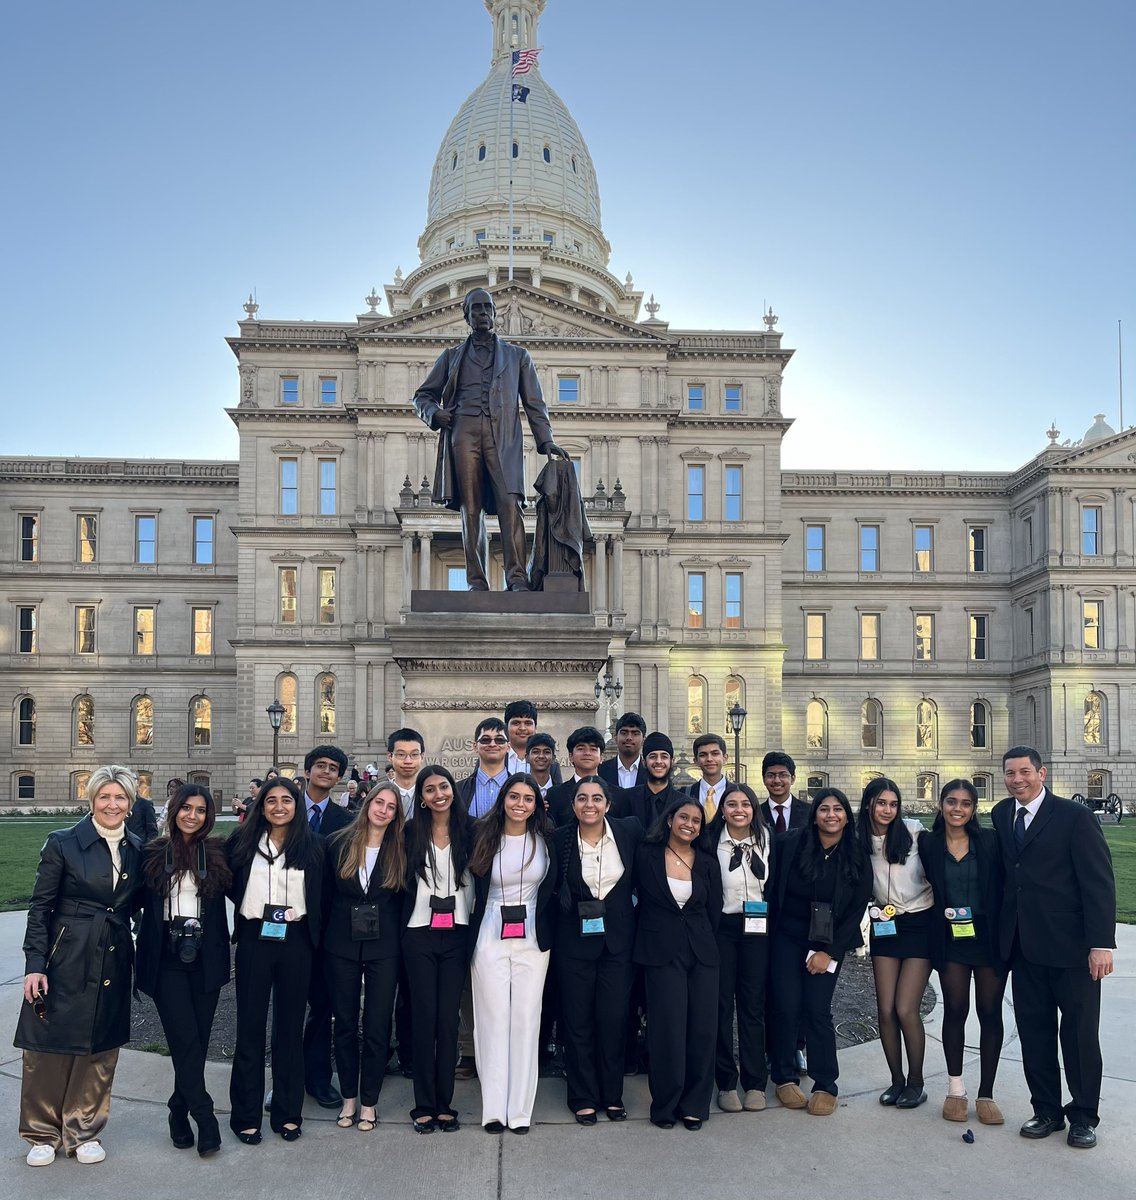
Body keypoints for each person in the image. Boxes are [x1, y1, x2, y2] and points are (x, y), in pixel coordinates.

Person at [16, 765, 145, 1168]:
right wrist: (36, 964)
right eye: (104, 797)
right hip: (65, 955)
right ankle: (42, 1131)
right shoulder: (63, 843)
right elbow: (40, 907)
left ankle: (83, 1129)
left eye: (120, 797)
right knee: (49, 1045)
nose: (112, 804)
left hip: (113, 954)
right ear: (91, 800)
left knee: (99, 1045)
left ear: (130, 803)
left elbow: (138, 905)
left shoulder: (137, 848)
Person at [992, 746, 1116, 1149]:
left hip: (1073, 950)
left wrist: (1100, 944)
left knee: (1079, 1036)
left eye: (1025, 772)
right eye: (1010, 774)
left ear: (1041, 774)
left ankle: (1083, 1116)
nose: (1017, 780)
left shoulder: (1074, 817)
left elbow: (1098, 882)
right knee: (1035, 1033)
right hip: (1024, 949)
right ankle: (1045, 1109)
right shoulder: (1001, 814)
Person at [411, 286, 568, 591]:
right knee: (471, 509)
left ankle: (517, 578)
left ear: (495, 314)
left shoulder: (518, 356)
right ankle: (476, 582)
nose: (483, 313)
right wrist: (435, 413)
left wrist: (545, 439)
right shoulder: (451, 357)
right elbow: (422, 396)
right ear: (466, 316)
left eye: (487, 308)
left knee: (511, 504)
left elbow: (535, 403)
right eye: (476, 309)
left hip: (504, 437)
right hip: (463, 433)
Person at [226, 776, 323, 1144]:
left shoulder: (313, 847)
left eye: (287, 800)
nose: (279, 806)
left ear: (297, 806)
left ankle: (287, 1112)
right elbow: (225, 883)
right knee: (249, 1028)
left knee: (288, 1029)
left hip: (296, 940)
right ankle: (245, 1115)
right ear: (261, 806)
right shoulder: (242, 843)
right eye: (271, 800)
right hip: (255, 938)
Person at [136, 783, 231, 1157]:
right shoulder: (152, 854)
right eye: (186, 808)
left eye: (201, 810)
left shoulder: (219, 854)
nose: (193, 816)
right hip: (166, 961)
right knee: (185, 1039)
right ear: (174, 810)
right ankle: (205, 1118)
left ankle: (178, 1110)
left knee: (196, 1042)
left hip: (206, 958)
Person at [769, 787, 872, 1116]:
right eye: (824, 809)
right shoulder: (791, 844)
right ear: (814, 814)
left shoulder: (856, 854)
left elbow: (856, 908)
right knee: (786, 1006)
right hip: (787, 937)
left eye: (838, 810)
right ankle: (784, 1076)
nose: (831, 815)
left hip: (828, 943)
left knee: (816, 1009)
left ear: (846, 815)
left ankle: (826, 1082)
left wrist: (830, 952)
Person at [468, 773, 557, 1133]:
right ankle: (493, 1108)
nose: (520, 804)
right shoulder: (482, 836)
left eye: (528, 799)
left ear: (537, 805)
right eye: (514, 797)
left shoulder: (547, 840)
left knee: (525, 1019)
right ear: (503, 799)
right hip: (490, 931)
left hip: (533, 937)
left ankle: (520, 1110)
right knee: (492, 1020)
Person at [553, 776, 644, 1124]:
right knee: (578, 1022)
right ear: (573, 804)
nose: (589, 804)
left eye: (596, 798)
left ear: (608, 803)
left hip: (618, 943)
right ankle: (582, 1095)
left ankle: (612, 1093)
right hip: (573, 943)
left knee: (614, 1019)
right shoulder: (560, 838)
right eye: (581, 798)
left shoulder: (629, 832)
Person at [919, 779, 1008, 1125]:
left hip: (988, 940)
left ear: (974, 809)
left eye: (966, 803)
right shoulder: (927, 843)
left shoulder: (990, 841)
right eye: (951, 802)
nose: (958, 809)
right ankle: (956, 1089)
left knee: (990, 1013)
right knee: (955, 1010)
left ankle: (986, 1093)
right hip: (950, 940)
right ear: (941, 805)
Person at [633, 797, 723, 1130]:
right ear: (670, 820)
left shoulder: (707, 862)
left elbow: (713, 912)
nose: (689, 824)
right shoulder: (646, 856)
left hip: (702, 952)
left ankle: (695, 1105)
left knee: (702, 1029)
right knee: (667, 1029)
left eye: (696, 821)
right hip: (660, 951)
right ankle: (666, 1104)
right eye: (683, 817)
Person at [323, 782, 407, 1133]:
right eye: (379, 802)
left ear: (396, 814)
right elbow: (324, 896)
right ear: (367, 803)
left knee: (376, 1025)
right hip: (341, 944)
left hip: (384, 947)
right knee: (344, 1023)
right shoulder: (339, 842)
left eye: (391, 806)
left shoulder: (401, 849)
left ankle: (369, 1101)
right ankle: (348, 1098)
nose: (383, 810)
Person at [401, 765, 474, 1133]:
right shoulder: (410, 832)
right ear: (422, 798)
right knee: (424, 1018)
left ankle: (444, 1103)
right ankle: (423, 1104)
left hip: (457, 932)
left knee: (447, 1020)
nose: (438, 794)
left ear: (452, 790)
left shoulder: (470, 829)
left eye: (443, 786)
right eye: (429, 790)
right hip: (419, 933)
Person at [857, 778, 934, 1109]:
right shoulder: (858, 839)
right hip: (885, 924)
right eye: (880, 803)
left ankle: (917, 1083)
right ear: (869, 805)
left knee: (905, 1008)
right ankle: (897, 1081)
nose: (887, 810)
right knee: (885, 1010)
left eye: (893, 804)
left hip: (920, 923)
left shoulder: (914, 832)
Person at [706, 783, 772, 1114]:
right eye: (731, 804)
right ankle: (726, 1082)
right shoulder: (710, 843)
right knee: (721, 1006)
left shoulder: (767, 840)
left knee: (752, 1006)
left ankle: (755, 1083)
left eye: (745, 804)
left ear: (754, 809)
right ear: (722, 809)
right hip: (724, 929)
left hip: (758, 931)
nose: (739, 809)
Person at [299, 745, 353, 1110]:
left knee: (322, 1007)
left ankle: (318, 1079)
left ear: (339, 778)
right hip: (283, 928)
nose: (326, 772)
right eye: (320, 765)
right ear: (307, 770)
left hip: (326, 928)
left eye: (333, 769)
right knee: (286, 1010)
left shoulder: (344, 820)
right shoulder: (279, 807)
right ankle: (286, 1079)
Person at [545, 726, 609, 827]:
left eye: (593, 749)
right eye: (581, 749)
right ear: (571, 757)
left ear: (601, 757)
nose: (587, 753)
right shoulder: (554, 795)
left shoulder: (617, 794)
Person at [624, 732, 687, 832]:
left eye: (664, 756)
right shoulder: (627, 798)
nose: (658, 761)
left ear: (672, 761)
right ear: (644, 762)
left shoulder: (683, 803)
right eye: (653, 756)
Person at [456, 717, 510, 819]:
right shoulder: (458, 790)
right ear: (475, 746)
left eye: (499, 740)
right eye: (485, 740)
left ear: (508, 747)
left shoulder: (522, 789)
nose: (492, 744)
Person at [503, 699, 563, 783]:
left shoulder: (552, 765)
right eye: (516, 723)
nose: (522, 728)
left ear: (535, 728)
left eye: (528, 723)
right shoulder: (497, 758)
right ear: (506, 728)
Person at [684, 733, 730, 822]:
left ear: (725, 758)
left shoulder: (738, 793)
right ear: (695, 761)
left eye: (715, 754)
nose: (709, 759)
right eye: (703, 755)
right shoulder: (684, 794)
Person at [759, 752, 808, 834]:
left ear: (792, 779)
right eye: (771, 775)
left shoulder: (809, 812)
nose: (777, 780)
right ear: (764, 779)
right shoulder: (756, 814)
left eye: (783, 775)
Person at [598, 712, 647, 791]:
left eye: (635, 733)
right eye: (624, 733)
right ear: (616, 738)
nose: (629, 738)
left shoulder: (650, 772)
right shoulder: (600, 771)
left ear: (643, 740)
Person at [524, 732, 559, 802]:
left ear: (553, 758)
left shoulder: (562, 791)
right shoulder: (518, 788)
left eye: (546, 752)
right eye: (536, 752)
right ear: (527, 758)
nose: (541, 756)